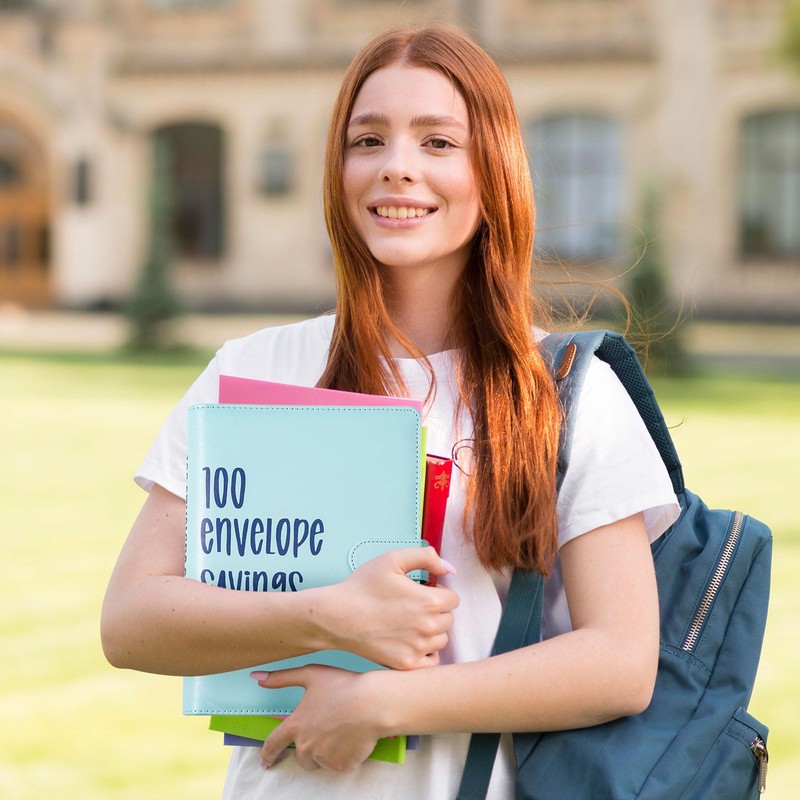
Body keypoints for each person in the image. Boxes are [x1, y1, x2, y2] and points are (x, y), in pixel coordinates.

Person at [101, 25, 680, 799]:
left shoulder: (568, 388)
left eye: (438, 142)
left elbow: (620, 661)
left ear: (493, 170)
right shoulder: (252, 369)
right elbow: (131, 620)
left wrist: (383, 703)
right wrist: (330, 615)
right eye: (367, 140)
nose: (396, 167)